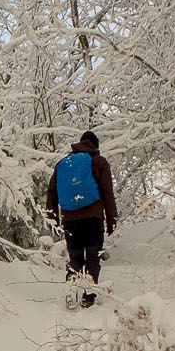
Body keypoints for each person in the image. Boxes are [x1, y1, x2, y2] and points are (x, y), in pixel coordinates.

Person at [46, 130, 118, 307]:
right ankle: (89, 297)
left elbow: (52, 192)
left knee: (75, 257)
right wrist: (112, 221)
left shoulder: (64, 164)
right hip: (93, 218)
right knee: (93, 257)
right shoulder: (99, 162)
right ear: (96, 145)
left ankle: (71, 293)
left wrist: (52, 218)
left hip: (70, 219)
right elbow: (107, 193)